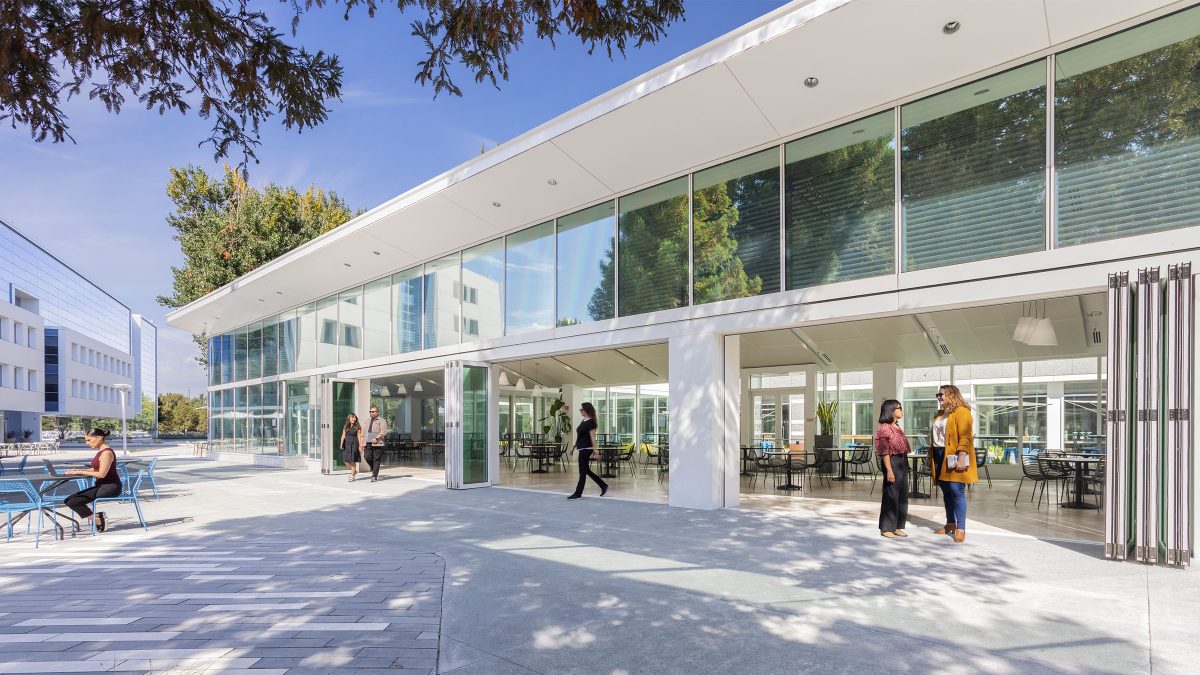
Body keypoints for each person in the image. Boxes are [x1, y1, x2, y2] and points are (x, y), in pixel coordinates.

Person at [931, 385, 977, 543]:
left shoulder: (962, 412)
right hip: (939, 455)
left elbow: (965, 437)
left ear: (952, 395)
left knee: (957, 491)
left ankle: (961, 528)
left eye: (941, 394)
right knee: (946, 492)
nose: (939, 397)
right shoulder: (940, 414)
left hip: (954, 455)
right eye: (938, 394)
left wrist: (962, 457)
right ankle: (950, 523)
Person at [64, 428, 122, 532]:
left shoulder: (106, 453)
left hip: (110, 487)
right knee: (69, 500)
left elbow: (101, 474)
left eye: (89, 440)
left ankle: (99, 521)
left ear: (98, 438)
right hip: (101, 486)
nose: (87, 443)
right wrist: (77, 470)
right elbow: (96, 469)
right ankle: (98, 517)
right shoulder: (101, 452)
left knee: (73, 502)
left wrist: (79, 472)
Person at [874, 400, 910, 539]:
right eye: (899, 408)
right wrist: (889, 470)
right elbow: (884, 452)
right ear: (891, 410)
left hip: (902, 461)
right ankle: (886, 527)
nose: (902, 410)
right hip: (892, 462)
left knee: (902, 496)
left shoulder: (897, 427)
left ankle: (897, 526)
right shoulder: (884, 428)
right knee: (891, 495)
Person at [567, 402, 608, 500]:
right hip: (581, 448)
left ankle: (578, 493)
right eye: (580, 410)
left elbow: (593, 438)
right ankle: (603, 485)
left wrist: (596, 452)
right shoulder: (583, 421)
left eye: (582, 410)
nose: (580, 411)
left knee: (582, 472)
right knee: (586, 471)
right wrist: (573, 447)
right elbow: (579, 436)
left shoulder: (591, 423)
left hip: (587, 449)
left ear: (587, 410)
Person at [364, 405, 388, 482]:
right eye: (370, 411)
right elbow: (363, 431)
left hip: (377, 442)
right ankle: (374, 468)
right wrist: (362, 441)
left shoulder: (382, 420)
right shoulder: (367, 420)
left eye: (373, 411)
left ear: (377, 412)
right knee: (367, 457)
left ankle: (374, 475)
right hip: (368, 441)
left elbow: (383, 431)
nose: (371, 413)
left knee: (376, 459)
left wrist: (377, 438)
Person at [341, 413, 365, 482]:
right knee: (346, 461)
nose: (354, 419)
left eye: (355, 418)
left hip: (354, 444)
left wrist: (360, 446)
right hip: (346, 445)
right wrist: (341, 444)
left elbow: (359, 437)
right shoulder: (346, 426)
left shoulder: (357, 427)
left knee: (352, 460)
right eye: (352, 417)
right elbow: (343, 435)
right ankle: (354, 471)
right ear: (349, 418)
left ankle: (352, 476)